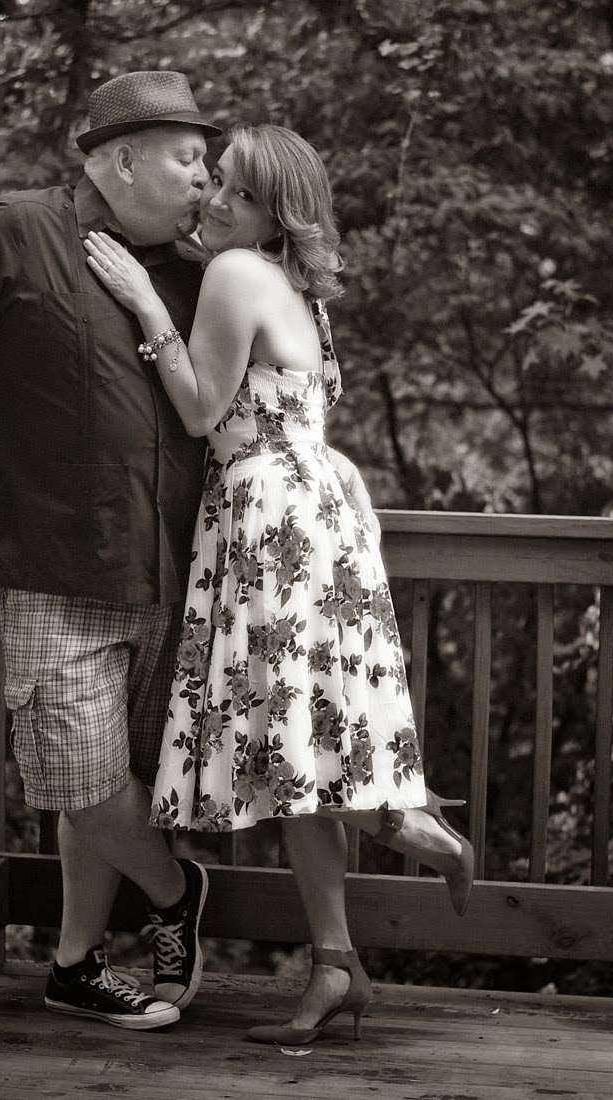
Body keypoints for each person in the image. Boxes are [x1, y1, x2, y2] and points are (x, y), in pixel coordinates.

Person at [84, 122, 475, 1045]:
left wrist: (144, 302)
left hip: (268, 526)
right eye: (217, 179)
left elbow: (199, 410)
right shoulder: (298, 287)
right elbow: (301, 418)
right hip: (317, 519)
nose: (217, 200)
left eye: (243, 194)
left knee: (295, 736)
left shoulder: (233, 272)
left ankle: (409, 832)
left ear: (279, 213)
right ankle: (340, 958)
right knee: (303, 737)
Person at [0, 70, 226, 1031]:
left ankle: (75, 963)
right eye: (189, 159)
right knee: (79, 780)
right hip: (53, 568)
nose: (205, 179)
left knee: (117, 783)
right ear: (122, 161)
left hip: (173, 575)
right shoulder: (16, 230)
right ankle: (177, 892)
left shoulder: (195, 268)